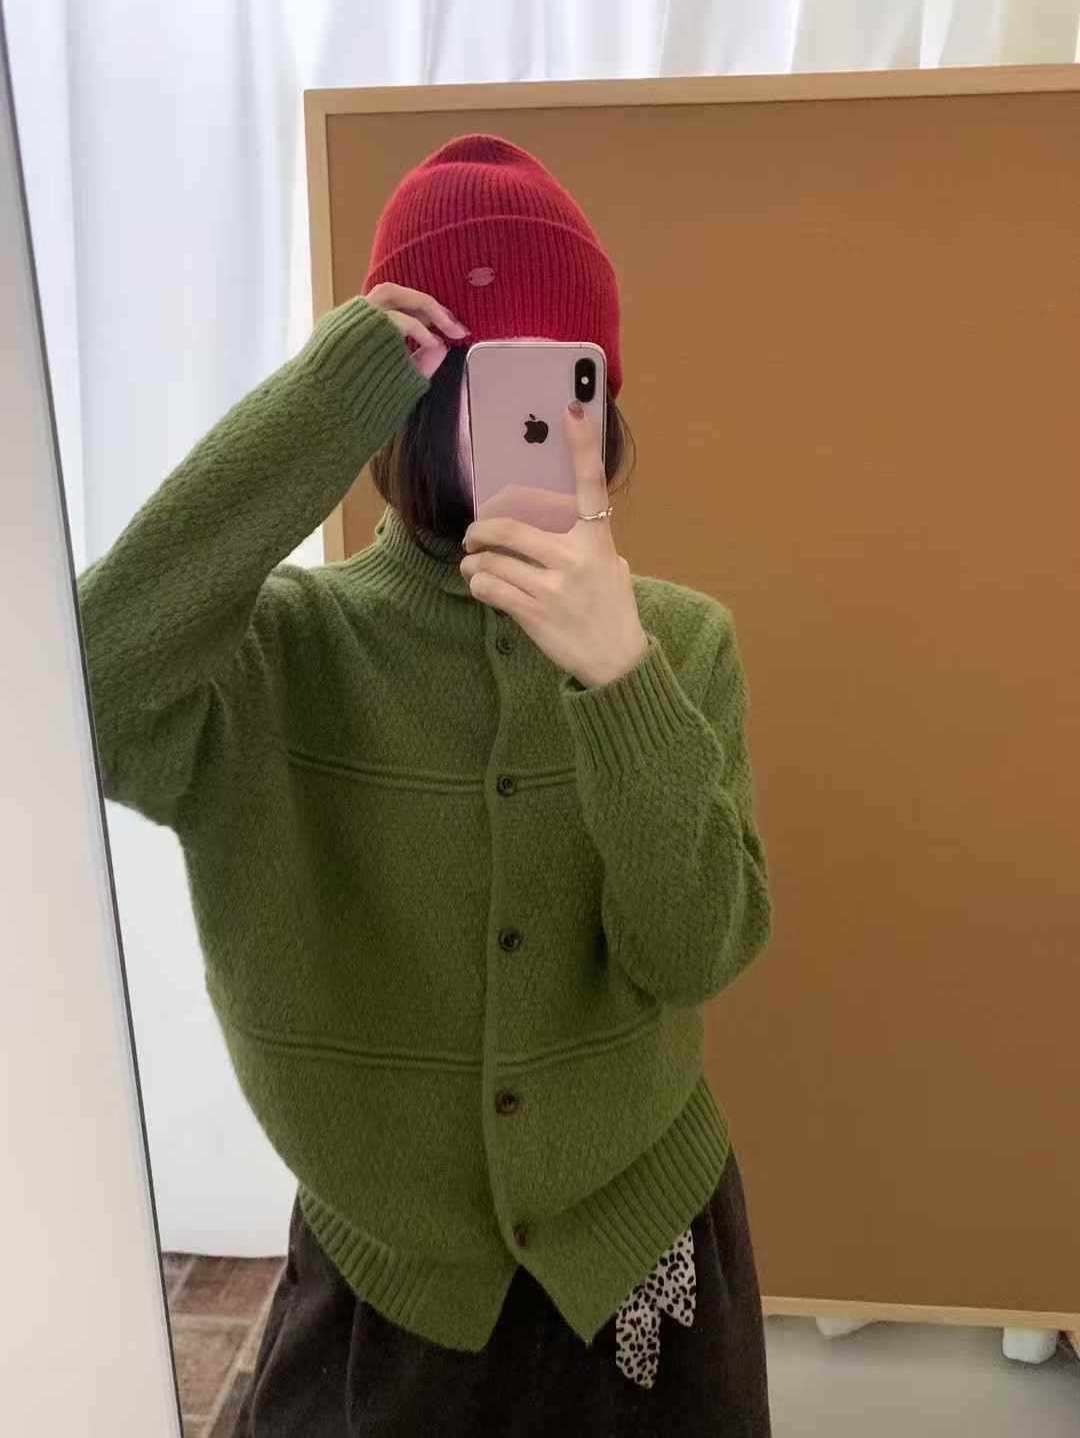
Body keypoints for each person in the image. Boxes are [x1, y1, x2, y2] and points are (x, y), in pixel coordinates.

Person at [77, 134, 773, 1436]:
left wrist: (620, 680)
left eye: (560, 381)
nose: (523, 423)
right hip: (383, 1290)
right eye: (471, 379)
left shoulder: (680, 645)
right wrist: (320, 406)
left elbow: (695, 951)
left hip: (649, 1268)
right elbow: (87, 698)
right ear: (396, 406)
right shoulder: (286, 651)